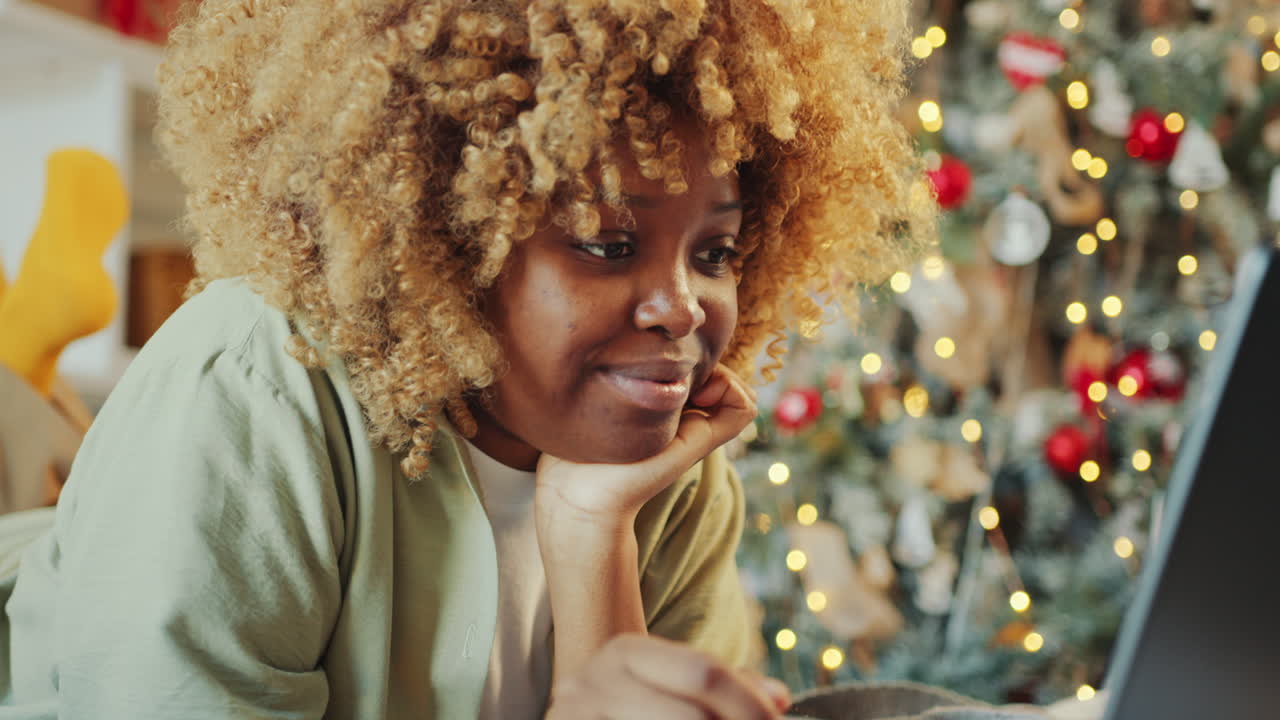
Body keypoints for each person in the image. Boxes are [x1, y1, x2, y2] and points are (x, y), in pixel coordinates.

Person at [0, 0, 932, 718]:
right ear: (447, 238)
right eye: (608, 243)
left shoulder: (668, 466)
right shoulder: (257, 386)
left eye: (715, 252)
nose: (683, 306)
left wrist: (590, 531)